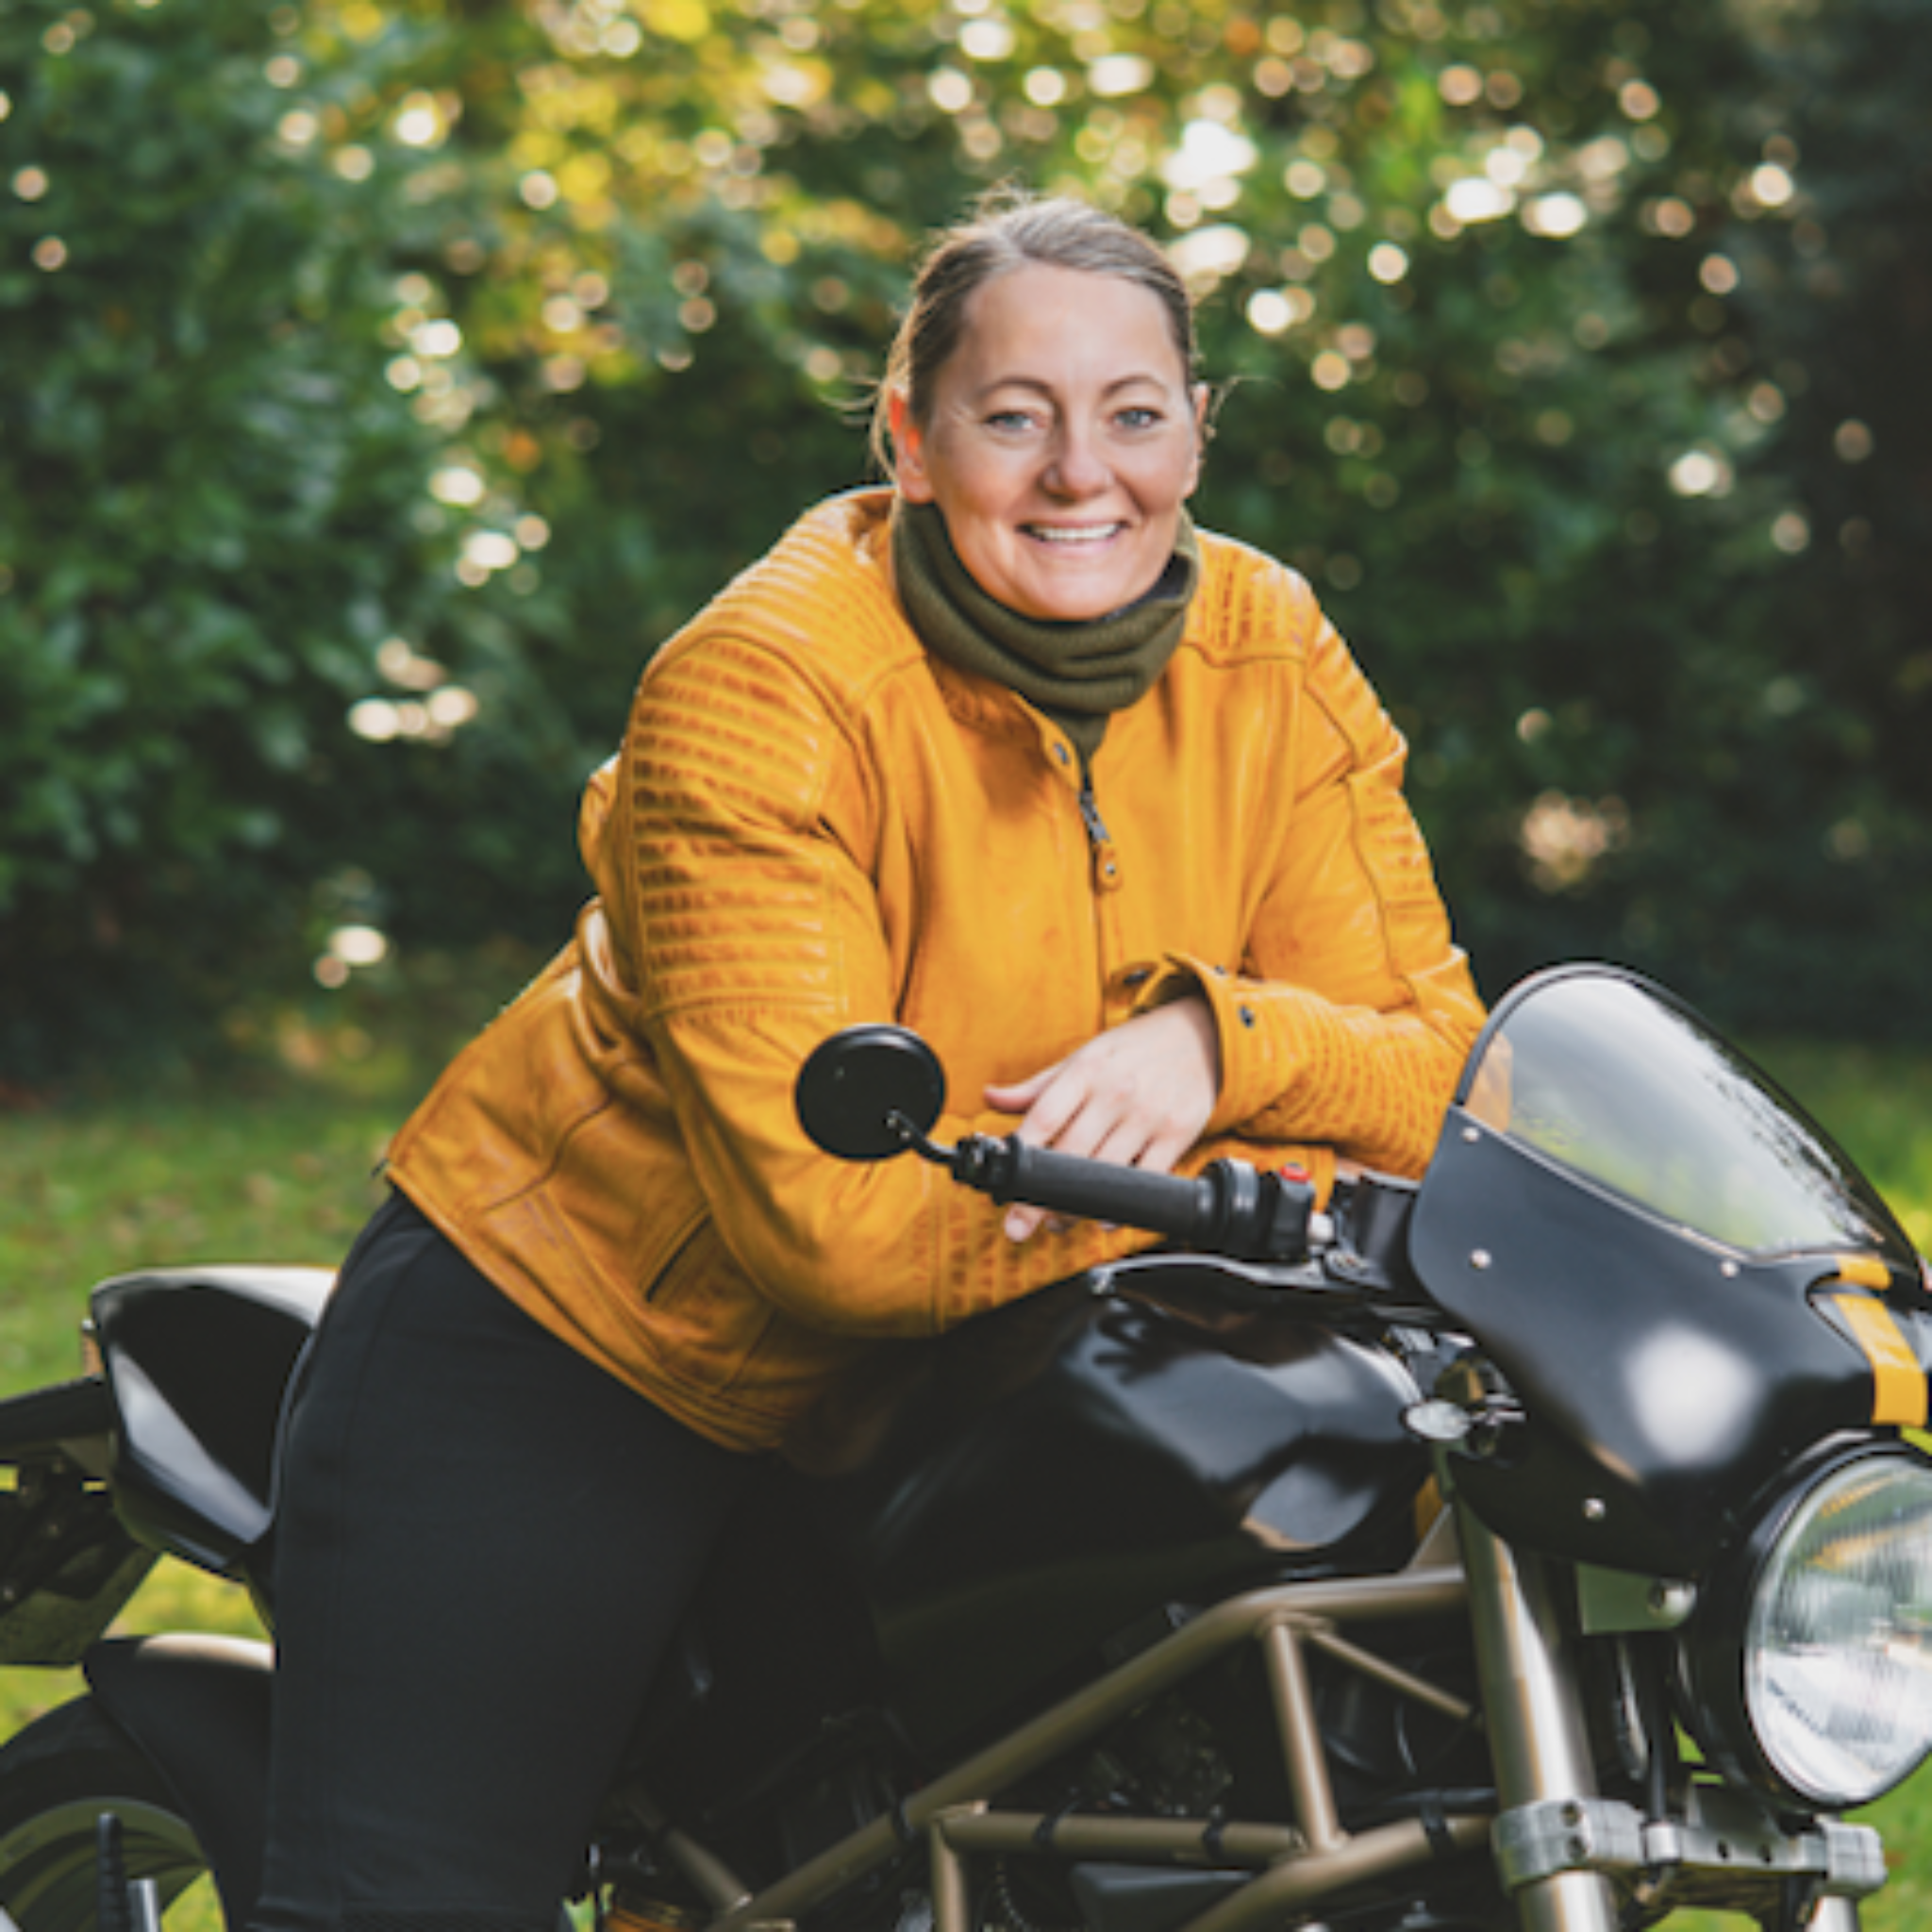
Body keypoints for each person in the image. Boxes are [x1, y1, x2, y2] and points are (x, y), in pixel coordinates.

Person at [249, 190, 1485, 1932]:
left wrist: (1214, 1041)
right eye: (1012, 417)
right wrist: (1222, 1192)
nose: (1082, 474)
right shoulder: (762, 690)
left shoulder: (1268, 651)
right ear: (909, 437)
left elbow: (1442, 1066)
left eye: (1134, 413)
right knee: (419, 1901)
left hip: (1017, 1353)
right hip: (595, 1344)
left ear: (1200, 433)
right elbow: (828, 1229)